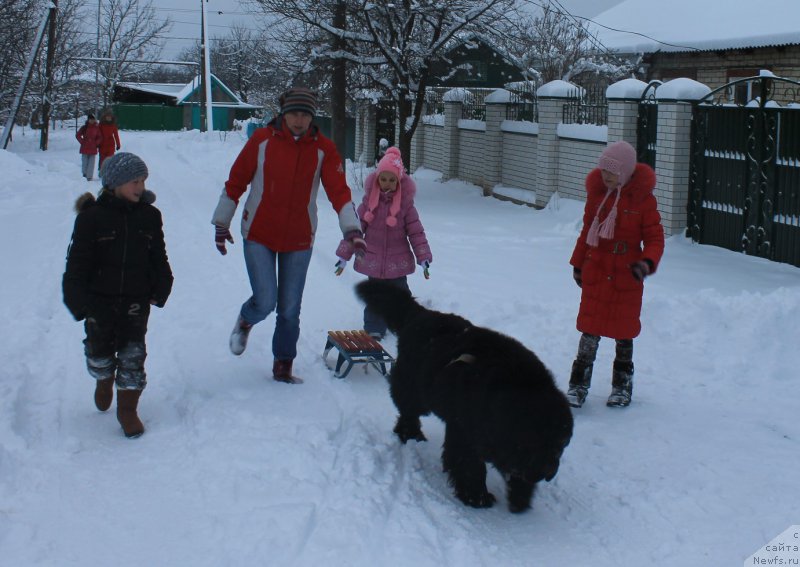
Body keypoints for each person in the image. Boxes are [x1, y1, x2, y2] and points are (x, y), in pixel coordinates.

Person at [211, 86, 364, 384]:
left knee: (290, 307)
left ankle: (283, 364)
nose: (299, 120)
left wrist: (352, 228)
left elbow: (339, 191)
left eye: (305, 115)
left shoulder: (324, 149)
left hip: (299, 237)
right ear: (283, 113)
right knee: (266, 300)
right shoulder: (262, 140)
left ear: (312, 117)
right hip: (259, 232)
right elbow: (236, 181)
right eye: (294, 113)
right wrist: (222, 221)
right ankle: (246, 319)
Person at [63, 152, 173, 438]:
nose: (140, 186)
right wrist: (78, 301)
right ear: (114, 183)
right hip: (99, 300)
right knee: (98, 353)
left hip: (136, 299)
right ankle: (103, 378)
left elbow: (158, 256)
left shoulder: (150, 216)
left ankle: (127, 410)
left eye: (143, 180)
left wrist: (162, 284)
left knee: (133, 354)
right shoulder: (91, 218)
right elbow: (77, 263)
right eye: (134, 181)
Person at [567, 141, 664, 408]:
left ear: (626, 172)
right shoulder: (597, 195)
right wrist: (577, 264)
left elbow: (655, 239)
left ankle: (622, 387)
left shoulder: (643, 200)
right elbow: (587, 231)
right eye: (604, 171)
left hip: (626, 275)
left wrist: (646, 263)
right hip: (597, 270)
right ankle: (577, 386)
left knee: (624, 334)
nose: (606, 176)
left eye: (612, 172)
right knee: (589, 331)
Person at [334, 146, 432, 340]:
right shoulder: (369, 204)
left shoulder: (406, 207)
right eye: (383, 178)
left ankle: (406, 323)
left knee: (401, 295)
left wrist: (424, 258)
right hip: (373, 260)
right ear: (377, 179)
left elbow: (416, 232)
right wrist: (343, 256)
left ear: (399, 181)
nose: (387, 183)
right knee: (376, 296)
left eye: (392, 180)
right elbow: (355, 230)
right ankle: (374, 328)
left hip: (398, 262)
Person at [75, 114, 102, 181]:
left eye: (93, 119)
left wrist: (96, 143)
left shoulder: (97, 128)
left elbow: (100, 137)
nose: (92, 120)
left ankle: (89, 176)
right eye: (90, 119)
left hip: (93, 148)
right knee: (84, 163)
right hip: (85, 148)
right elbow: (78, 135)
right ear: (88, 120)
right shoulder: (84, 127)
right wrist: (82, 142)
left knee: (91, 164)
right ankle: (84, 174)